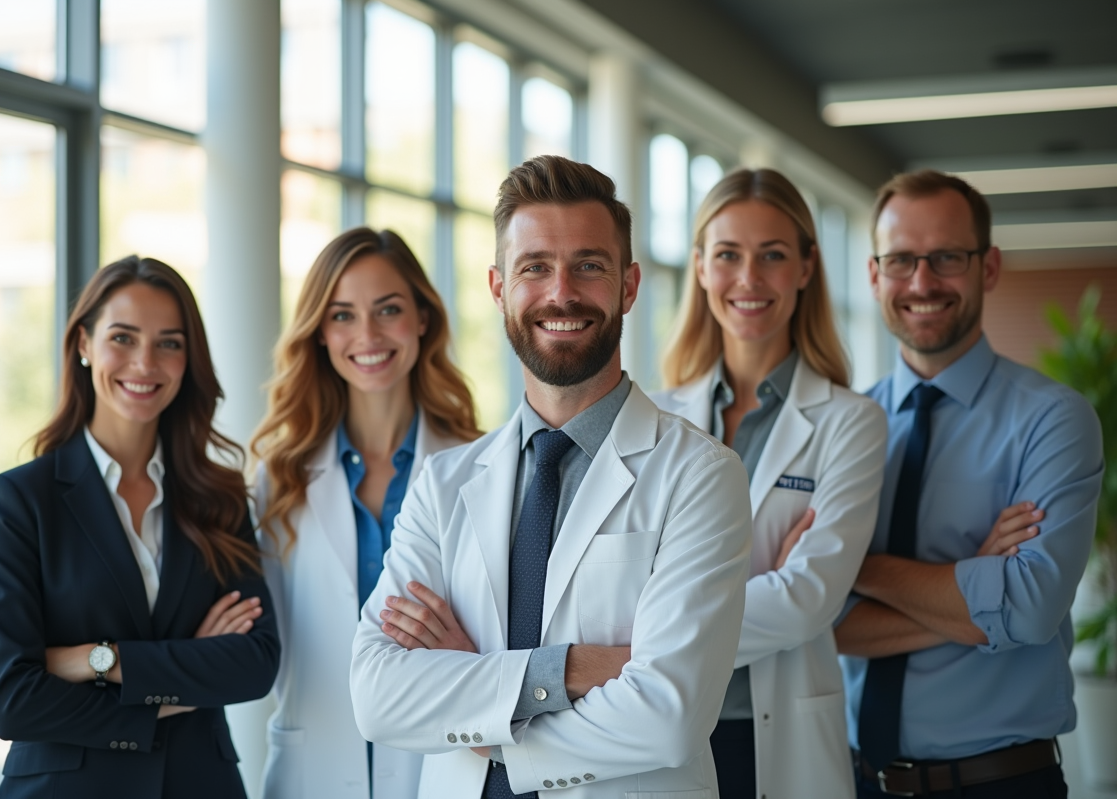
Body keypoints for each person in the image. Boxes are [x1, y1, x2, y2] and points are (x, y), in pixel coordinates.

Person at [348, 154, 753, 799]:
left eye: (589, 266)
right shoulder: (444, 482)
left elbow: (669, 717)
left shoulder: (701, 476)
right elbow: (378, 697)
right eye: (534, 267)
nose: (561, 293)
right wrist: (569, 671)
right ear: (498, 286)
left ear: (628, 286)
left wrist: (473, 691)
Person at [837, 170, 1104, 798]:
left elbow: (1031, 606)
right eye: (901, 260)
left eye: (947, 257)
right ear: (874, 276)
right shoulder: (843, 429)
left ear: (987, 267)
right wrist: (975, 584)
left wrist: (855, 568)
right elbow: (816, 622)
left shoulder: (1053, 419)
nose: (923, 282)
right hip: (850, 780)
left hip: (1000, 783)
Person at [0, 256, 281, 799]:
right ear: (84, 345)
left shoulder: (219, 496)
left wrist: (95, 660)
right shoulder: (22, 499)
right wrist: (183, 680)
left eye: (169, 343)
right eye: (123, 337)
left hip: (199, 784)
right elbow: (12, 700)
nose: (145, 363)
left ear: (188, 360)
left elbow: (254, 664)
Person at [652, 168, 887, 799]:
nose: (749, 280)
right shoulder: (652, 419)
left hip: (779, 739)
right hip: (662, 733)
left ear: (807, 267)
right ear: (700, 266)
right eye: (728, 255)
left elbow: (810, 598)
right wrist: (764, 586)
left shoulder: (851, 422)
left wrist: (657, 630)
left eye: (773, 256)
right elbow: (620, 586)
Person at [251, 227, 482, 799]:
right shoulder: (279, 477)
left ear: (423, 318)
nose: (369, 335)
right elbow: (266, 647)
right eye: (343, 315)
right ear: (320, 333)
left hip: (445, 765)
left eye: (388, 310)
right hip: (315, 769)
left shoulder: (482, 466)